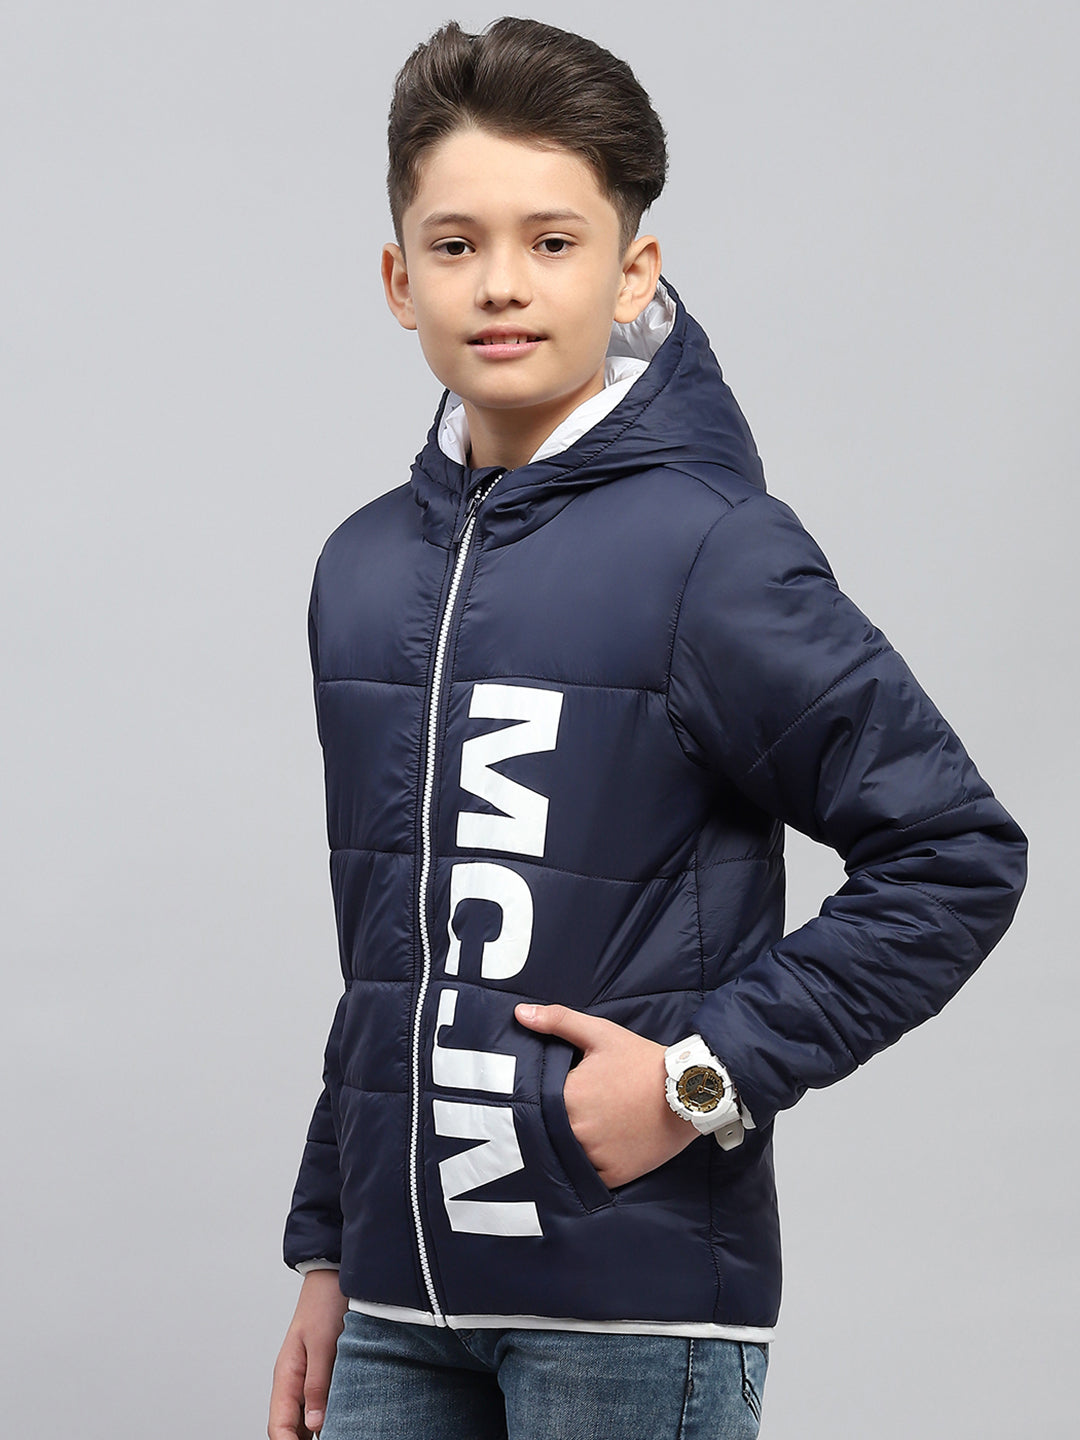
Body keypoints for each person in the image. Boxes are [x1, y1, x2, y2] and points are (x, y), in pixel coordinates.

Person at [267, 17, 1027, 1440]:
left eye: (553, 241)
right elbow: (391, 952)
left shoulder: (711, 551)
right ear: (398, 279)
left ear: (634, 271)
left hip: (629, 1314)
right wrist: (329, 1249)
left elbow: (957, 855)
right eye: (456, 244)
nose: (502, 282)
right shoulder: (359, 570)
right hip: (396, 1309)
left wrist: (697, 1078)